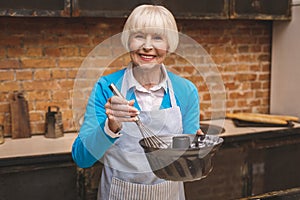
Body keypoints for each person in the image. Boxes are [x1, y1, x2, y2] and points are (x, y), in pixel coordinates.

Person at [72, 4, 202, 200]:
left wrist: (197, 152)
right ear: (128, 41)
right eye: (139, 36)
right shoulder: (106, 87)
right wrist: (110, 126)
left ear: (169, 44)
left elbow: (189, 165)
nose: (147, 46)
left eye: (158, 37)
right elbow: (82, 158)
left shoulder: (186, 91)